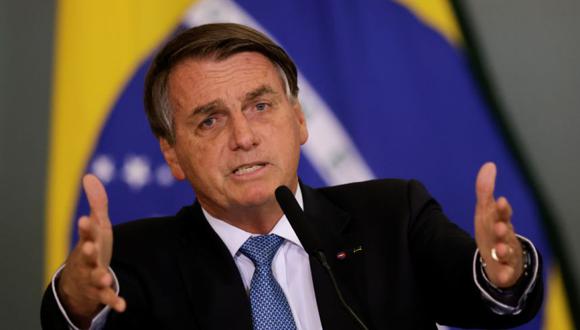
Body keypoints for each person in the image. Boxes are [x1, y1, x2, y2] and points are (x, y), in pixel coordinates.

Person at [41, 23, 542, 329]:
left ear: (299, 120)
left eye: (260, 106)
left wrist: (504, 272)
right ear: (172, 153)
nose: (244, 136)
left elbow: (483, 291)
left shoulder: (393, 215)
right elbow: (80, 317)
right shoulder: (137, 261)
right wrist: (80, 302)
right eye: (210, 120)